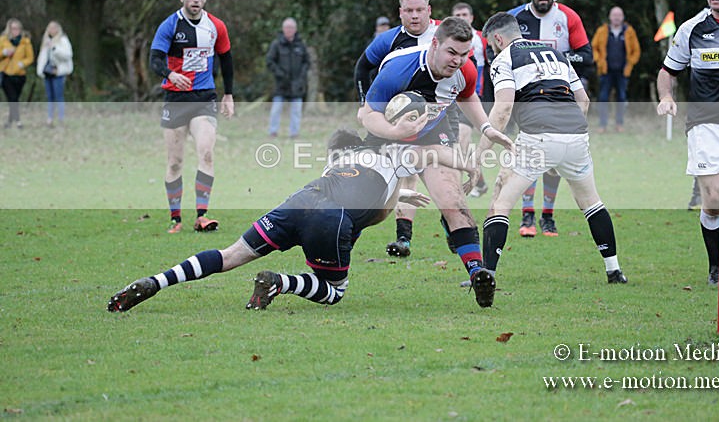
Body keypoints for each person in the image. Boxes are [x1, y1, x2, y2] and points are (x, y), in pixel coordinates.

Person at [107, 128, 478, 312]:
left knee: (229, 255)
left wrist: (394, 193)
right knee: (334, 292)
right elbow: (431, 156)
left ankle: (156, 281)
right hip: (331, 219)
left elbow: (359, 190)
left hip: (300, 200)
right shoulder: (393, 155)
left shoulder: (336, 163)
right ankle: (279, 283)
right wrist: (470, 164)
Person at [358, 16, 514, 307]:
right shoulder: (397, 69)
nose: (458, 60)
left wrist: (487, 128)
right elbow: (365, 116)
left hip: (432, 135)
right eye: (451, 53)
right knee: (366, 208)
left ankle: (478, 273)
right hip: (386, 135)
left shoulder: (464, 70)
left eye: (464, 54)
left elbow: (468, 96)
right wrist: (396, 131)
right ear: (435, 44)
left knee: (453, 201)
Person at [477, 12, 627, 284]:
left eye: (491, 43)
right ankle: (614, 270)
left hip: (538, 136)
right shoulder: (556, 53)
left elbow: (503, 109)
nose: (491, 49)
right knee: (591, 202)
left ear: (498, 38)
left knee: (501, 201)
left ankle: (486, 273)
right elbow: (584, 100)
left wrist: (480, 153)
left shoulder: (503, 59)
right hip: (576, 134)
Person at [657, 0, 719, 286]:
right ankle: (716, 267)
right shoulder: (693, 28)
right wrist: (666, 97)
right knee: (713, 199)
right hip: (706, 123)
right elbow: (667, 71)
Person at [353, 0, 440, 258]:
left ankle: (408, 237)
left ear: (429, 11)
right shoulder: (388, 40)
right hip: (392, 120)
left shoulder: (442, 37)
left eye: (419, 10)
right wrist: (366, 105)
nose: (414, 16)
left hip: (435, 119)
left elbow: (463, 70)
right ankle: (352, 229)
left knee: (423, 175)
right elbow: (362, 67)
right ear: (400, 13)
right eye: (409, 11)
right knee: (376, 172)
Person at [508, 0, 594, 239]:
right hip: (528, 98)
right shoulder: (515, 18)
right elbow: (496, 51)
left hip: (562, 97)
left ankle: (547, 216)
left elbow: (587, 57)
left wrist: (558, 59)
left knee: (555, 160)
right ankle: (527, 214)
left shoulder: (568, 17)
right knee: (531, 154)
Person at [149, 0, 235, 234]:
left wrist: (228, 94)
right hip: (175, 100)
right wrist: (171, 74)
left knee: (206, 153)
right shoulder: (170, 25)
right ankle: (176, 219)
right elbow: (154, 59)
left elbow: (227, 60)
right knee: (175, 161)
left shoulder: (216, 26)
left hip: (204, 99)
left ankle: (202, 215)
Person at [451, 2, 490, 197]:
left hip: (475, 97)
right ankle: (479, 182)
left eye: (464, 14)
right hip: (452, 98)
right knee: (458, 145)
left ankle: (457, 192)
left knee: (462, 139)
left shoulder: (482, 39)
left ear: (472, 17)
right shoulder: (446, 41)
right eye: (457, 15)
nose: (461, 18)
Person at [591, 6, 641, 132]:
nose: (616, 18)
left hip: (623, 72)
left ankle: (619, 124)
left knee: (622, 97)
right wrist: (598, 60)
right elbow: (594, 47)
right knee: (603, 98)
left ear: (623, 17)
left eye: (619, 15)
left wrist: (631, 63)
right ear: (610, 17)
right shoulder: (602, 31)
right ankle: (602, 125)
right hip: (605, 71)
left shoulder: (629, 31)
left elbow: (636, 51)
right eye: (614, 15)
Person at [266, 17, 310, 139]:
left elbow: (307, 62)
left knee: (296, 111)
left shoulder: (301, 45)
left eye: (291, 28)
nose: (289, 30)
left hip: (297, 84)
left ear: (295, 29)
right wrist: (279, 73)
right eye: (287, 27)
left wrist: (301, 77)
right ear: (283, 29)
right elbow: (270, 61)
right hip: (281, 84)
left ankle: (294, 133)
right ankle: (273, 132)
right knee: (276, 110)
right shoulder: (276, 44)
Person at [35, 21, 73, 127]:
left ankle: (61, 118)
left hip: (59, 72)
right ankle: (50, 118)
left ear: (58, 29)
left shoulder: (63, 40)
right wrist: (40, 70)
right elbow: (42, 58)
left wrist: (54, 48)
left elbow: (68, 55)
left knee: (59, 96)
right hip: (47, 72)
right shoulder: (45, 41)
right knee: (49, 96)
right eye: (49, 28)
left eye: (54, 28)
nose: (51, 30)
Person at [0, 18, 34, 128]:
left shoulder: (25, 42)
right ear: (9, 29)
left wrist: (22, 63)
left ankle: (10, 121)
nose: (16, 31)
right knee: (12, 98)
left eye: (17, 28)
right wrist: (4, 53)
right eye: (13, 28)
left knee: (14, 99)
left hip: (19, 74)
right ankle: (18, 121)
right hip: (6, 73)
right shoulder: (3, 40)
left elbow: (30, 57)